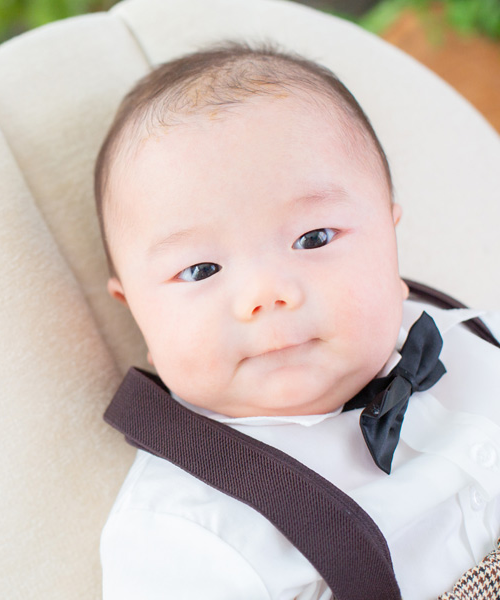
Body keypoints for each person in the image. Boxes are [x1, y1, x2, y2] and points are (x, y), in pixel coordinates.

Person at [94, 42, 500, 599]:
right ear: (136, 311)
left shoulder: (474, 337)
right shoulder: (187, 537)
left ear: (390, 237)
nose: (266, 295)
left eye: (312, 238)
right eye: (201, 269)